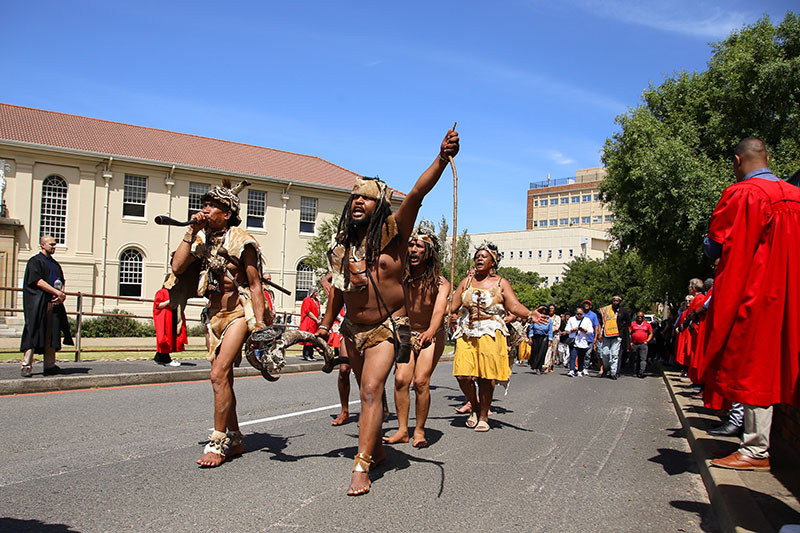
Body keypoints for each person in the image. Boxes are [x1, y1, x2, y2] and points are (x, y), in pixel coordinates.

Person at [317, 128, 460, 496]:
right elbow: (338, 290)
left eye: (366, 199)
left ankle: (361, 466)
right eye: (354, 199)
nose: (358, 203)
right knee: (372, 398)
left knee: (369, 390)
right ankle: (376, 449)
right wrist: (323, 326)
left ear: (379, 205)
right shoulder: (342, 247)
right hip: (352, 330)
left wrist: (441, 158)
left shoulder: (395, 234)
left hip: (384, 328)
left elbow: (417, 192)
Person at [700, 137, 800, 472]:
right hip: (792, 293)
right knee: (782, 363)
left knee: (754, 365)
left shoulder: (744, 194)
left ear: (738, 160)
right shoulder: (795, 196)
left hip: (758, 292)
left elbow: (715, 247)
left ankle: (755, 450)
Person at [168, 179, 269, 468]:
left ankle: (218, 442)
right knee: (225, 379)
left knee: (217, 374)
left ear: (227, 213)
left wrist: (259, 325)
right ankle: (236, 439)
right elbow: (177, 267)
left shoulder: (242, 240)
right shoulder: (201, 239)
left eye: (212, 205)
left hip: (238, 313)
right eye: (204, 204)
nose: (205, 209)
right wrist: (191, 230)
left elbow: (255, 284)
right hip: (212, 317)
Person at [450, 242, 548, 432]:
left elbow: (514, 305)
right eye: (477, 256)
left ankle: (484, 416)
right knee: (462, 376)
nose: (479, 258)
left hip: (491, 331)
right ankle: (475, 407)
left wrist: (529, 314)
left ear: (493, 262)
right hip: (467, 332)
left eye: (484, 256)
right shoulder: (466, 282)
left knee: (486, 377)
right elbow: (451, 306)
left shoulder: (501, 283)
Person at [384, 223, 450, 448]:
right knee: (401, 379)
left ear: (429, 252)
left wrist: (431, 332)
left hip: (431, 334)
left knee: (421, 381)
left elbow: (439, 310)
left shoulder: (440, 283)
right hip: (405, 333)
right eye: (410, 245)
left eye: (419, 246)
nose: (413, 249)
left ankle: (419, 430)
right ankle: (403, 430)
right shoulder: (401, 277)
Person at [20, 235, 72, 377]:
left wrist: (61, 294)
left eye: (55, 244)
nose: (54, 247)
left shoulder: (55, 264)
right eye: (51, 244)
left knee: (52, 333)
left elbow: (61, 280)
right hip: (38, 303)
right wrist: (56, 292)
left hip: (53, 303)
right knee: (33, 331)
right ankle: (26, 365)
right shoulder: (34, 262)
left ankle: (49, 365)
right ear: (43, 245)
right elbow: (38, 281)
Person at [152, 285, 187, 367]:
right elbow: (158, 305)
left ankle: (159, 357)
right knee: (165, 337)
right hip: (165, 317)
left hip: (173, 316)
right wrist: (169, 301)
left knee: (171, 337)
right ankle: (165, 359)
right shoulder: (162, 292)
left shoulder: (175, 293)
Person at [598, 295, 626, 379]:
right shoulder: (607, 310)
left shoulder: (623, 311)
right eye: (614, 300)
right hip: (606, 335)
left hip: (617, 336)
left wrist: (621, 329)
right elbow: (601, 322)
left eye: (617, 301)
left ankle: (613, 372)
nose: (615, 302)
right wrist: (600, 333)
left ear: (620, 302)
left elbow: (628, 322)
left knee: (614, 354)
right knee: (605, 353)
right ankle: (606, 369)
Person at [565, 307, 592, 377]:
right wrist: (572, 330)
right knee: (573, 355)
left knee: (581, 356)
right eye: (578, 314)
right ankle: (571, 370)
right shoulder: (571, 319)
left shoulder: (587, 320)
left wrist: (584, 330)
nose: (579, 315)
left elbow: (591, 331)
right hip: (574, 340)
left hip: (582, 341)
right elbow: (567, 329)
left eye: (581, 314)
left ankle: (580, 370)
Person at [527, 306, 552, 374]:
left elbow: (550, 330)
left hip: (544, 337)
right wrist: (530, 338)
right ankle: (534, 364)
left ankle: (539, 367)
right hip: (536, 336)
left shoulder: (549, 320)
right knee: (535, 351)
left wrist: (550, 340)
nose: (543, 314)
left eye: (545, 313)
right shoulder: (535, 319)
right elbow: (531, 328)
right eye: (542, 312)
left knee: (542, 352)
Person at [629, 311, 653, 378]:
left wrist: (647, 341)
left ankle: (641, 372)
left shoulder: (647, 325)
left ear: (643, 317)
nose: (639, 318)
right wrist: (631, 342)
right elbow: (629, 333)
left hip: (643, 344)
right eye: (638, 316)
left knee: (643, 359)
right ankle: (635, 371)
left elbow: (651, 333)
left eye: (641, 317)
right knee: (635, 359)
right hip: (635, 344)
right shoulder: (633, 324)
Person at [299, 288, 321, 361]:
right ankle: (306, 354)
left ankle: (311, 354)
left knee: (313, 339)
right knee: (308, 338)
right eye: (316, 291)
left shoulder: (316, 301)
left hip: (314, 322)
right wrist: (316, 319)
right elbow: (308, 312)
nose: (317, 293)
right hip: (309, 321)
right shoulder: (307, 300)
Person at [581, 299, 600, 375]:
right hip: (581, 337)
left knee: (588, 354)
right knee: (581, 353)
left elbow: (596, 326)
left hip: (590, 337)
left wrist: (596, 337)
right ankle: (580, 367)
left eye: (588, 304)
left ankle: (585, 368)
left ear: (590, 306)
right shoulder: (580, 313)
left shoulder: (593, 315)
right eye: (585, 304)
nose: (586, 305)